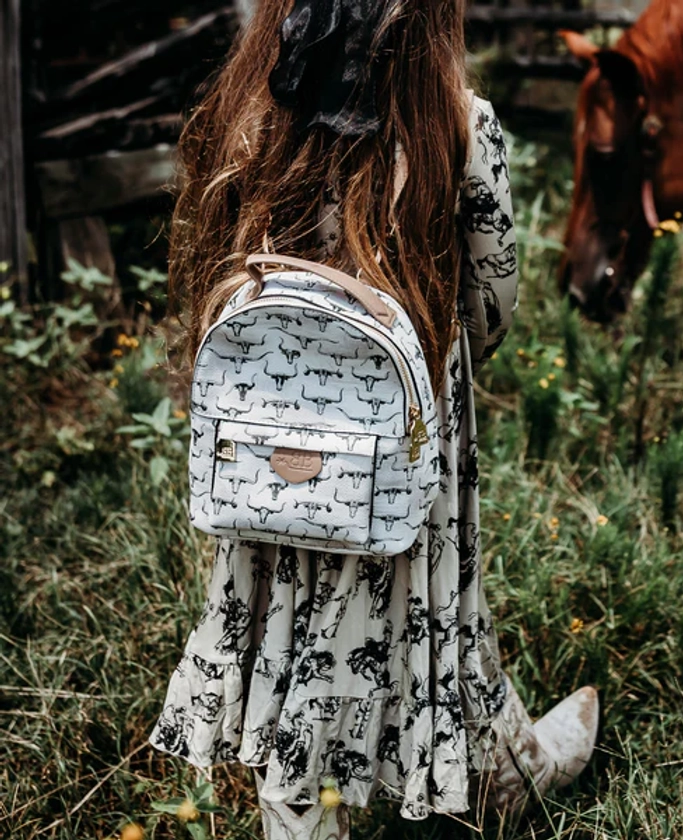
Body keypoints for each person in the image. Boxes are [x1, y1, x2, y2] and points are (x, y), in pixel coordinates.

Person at [150, 1, 599, 838]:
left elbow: (213, 267)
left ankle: (481, 770)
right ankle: (477, 773)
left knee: (291, 616)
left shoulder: (250, 112)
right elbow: (489, 312)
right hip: (400, 452)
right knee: (432, 602)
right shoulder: (461, 127)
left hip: (266, 444)